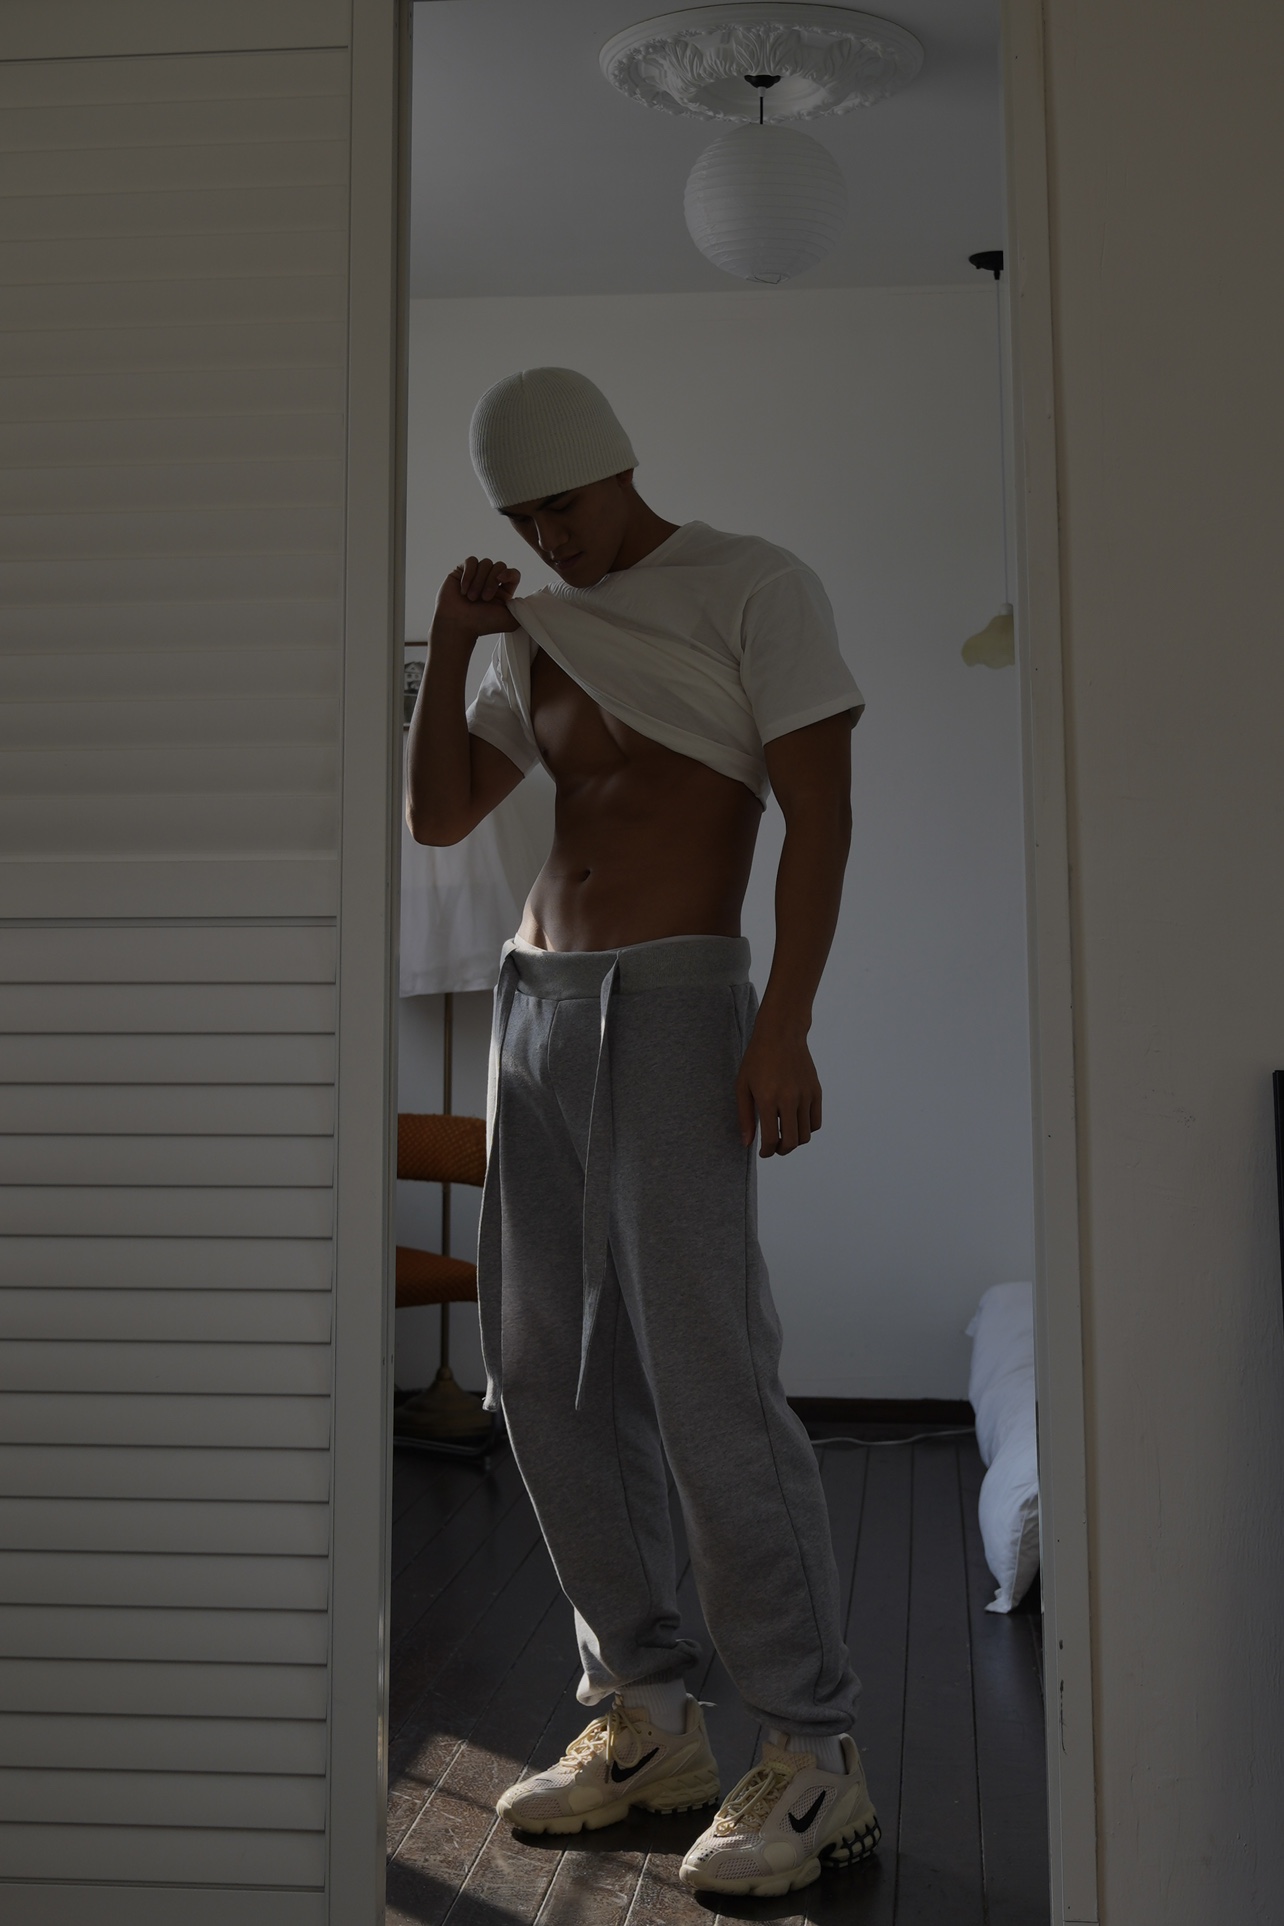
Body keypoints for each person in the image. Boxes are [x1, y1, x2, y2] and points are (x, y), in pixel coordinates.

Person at [405, 366, 877, 1899]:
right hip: (534, 1002)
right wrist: (453, 643)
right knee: (539, 1366)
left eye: (565, 504)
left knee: (704, 1375)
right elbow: (440, 814)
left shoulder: (751, 585)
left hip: (678, 1004)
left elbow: (820, 813)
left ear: (619, 466)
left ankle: (813, 1745)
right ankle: (648, 1710)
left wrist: (783, 1021)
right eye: (522, 517)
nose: (551, 537)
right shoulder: (538, 630)